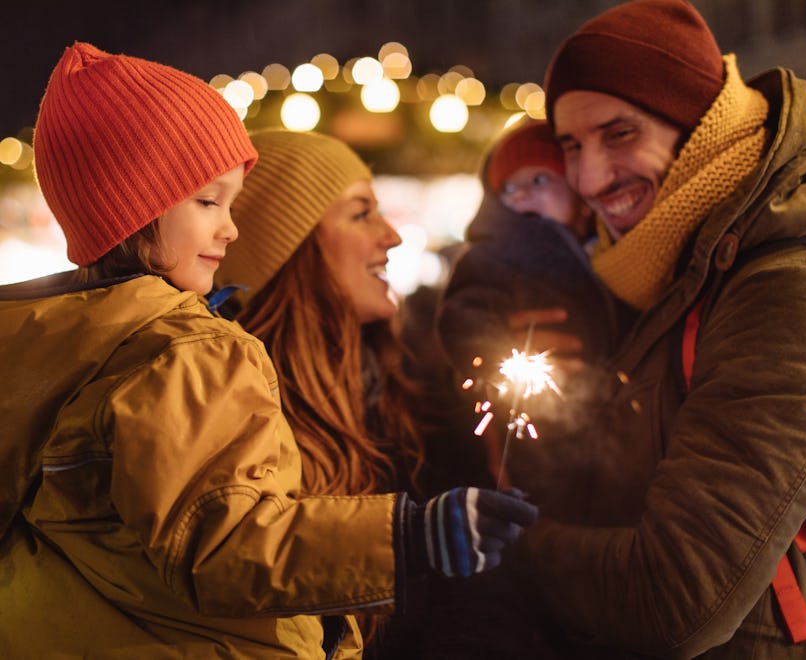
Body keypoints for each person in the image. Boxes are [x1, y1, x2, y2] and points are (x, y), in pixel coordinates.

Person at [0, 43, 538, 659]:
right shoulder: (191, 358)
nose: (391, 235)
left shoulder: (72, 348)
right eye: (361, 213)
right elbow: (226, 543)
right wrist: (411, 535)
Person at [510, 0, 806, 657]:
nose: (590, 178)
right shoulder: (670, 262)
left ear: (698, 126)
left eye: (619, 134)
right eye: (572, 145)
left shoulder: (784, 286)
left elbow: (681, 594)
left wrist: (503, 543)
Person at [215, 128, 488, 657]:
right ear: (287, 248)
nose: (393, 235)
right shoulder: (236, 427)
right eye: (361, 213)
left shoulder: (407, 395)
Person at [436, 117, 628, 499]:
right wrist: (493, 354)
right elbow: (464, 313)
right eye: (509, 188)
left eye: (538, 181)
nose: (521, 196)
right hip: (538, 416)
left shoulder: (609, 251)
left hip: (607, 411)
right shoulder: (495, 254)